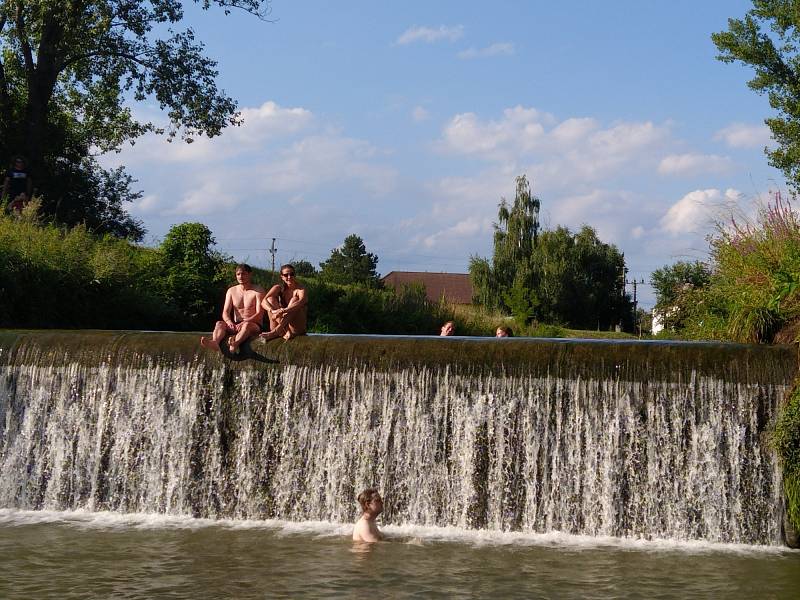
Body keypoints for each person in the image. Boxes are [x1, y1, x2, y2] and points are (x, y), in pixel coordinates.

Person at [200, 264, 265, 354]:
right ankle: (215, 342)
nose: (241, 277)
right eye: (238, 274)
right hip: (236, 324)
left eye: (244, 274)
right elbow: (225, 312)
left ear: (250, 275)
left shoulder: (258, 290)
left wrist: (245, 321)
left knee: (246, 326)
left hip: (254, 324)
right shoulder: (231, 291)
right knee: (219, 323)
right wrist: (229, 322)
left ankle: (235, 344)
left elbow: (259, 314)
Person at [260, 264, 308, 341]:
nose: (289, 277)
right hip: (282, 325)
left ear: (295, 275)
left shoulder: (300, 289)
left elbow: (302, 301)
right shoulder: (278, 287)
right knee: (270, 299)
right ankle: (282, 330)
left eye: (291, 274)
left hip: (295, 327)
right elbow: (263, 302)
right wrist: (273, 311)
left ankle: (277, 331)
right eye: (286, 275)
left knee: (295, 300)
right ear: (282, 277)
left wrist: (283, 310)